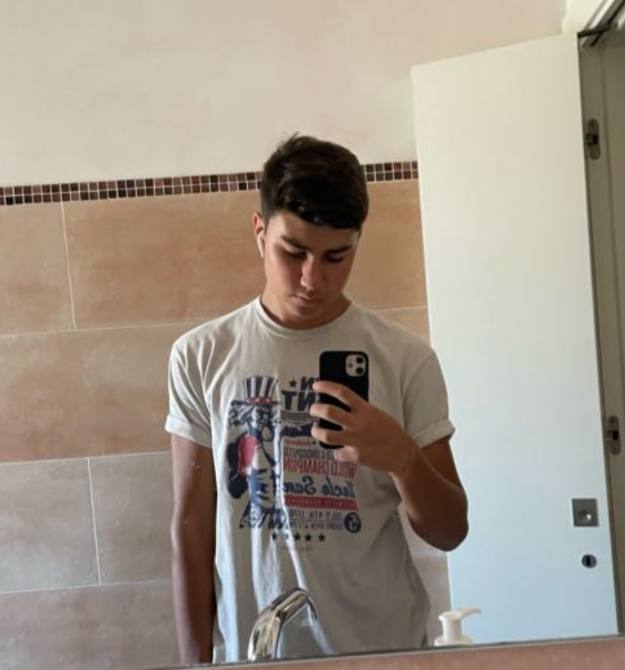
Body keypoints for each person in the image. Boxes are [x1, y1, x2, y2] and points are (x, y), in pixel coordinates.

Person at [165, 134, 468, 665]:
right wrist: (195, 662)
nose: (313, 278)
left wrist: (401, 458)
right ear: (259, 232)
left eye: (336, 256)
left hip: (382, 652)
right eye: (294, 252)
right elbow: (192, 525)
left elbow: (449, 531)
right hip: (256, 651)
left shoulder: (405, 359)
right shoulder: (201, 356)